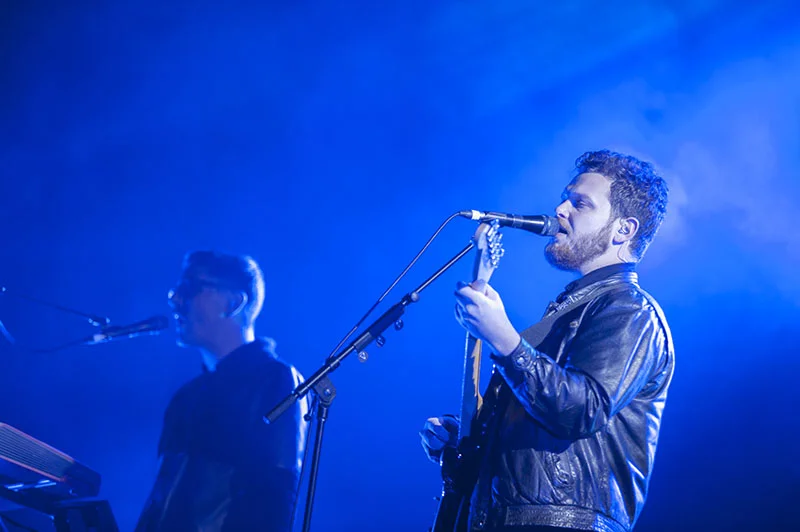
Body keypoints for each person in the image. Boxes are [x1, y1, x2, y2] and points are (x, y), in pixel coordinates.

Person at [421, 150, 674, 532]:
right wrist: (474, 438)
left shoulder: (631, 310)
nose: (560, 209)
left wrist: (504, 339)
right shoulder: (571, 310)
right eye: (565, 199)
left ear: (624, 230)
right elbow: (540, 429)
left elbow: (583, 409)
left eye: (580, 203)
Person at [136, 250, 309, 532]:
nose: (175, 300)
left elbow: (273, 499)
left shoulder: (276, 380)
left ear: (233, 302)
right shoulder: (186, 397)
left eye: (190, 288)